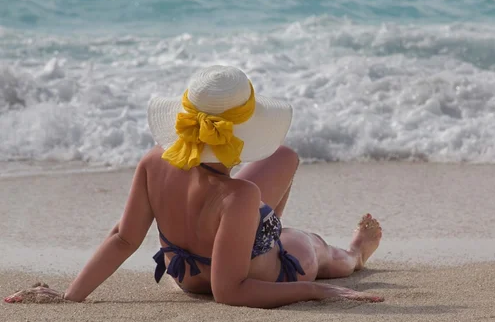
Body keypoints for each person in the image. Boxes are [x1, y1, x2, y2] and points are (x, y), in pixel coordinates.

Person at [4, 66, 383, 308]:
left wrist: (73, 295)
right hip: (239, 277)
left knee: (285, 156)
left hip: (184, 275)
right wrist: (319, 291)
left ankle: (258, 232)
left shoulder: (154, 161)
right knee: (309, 246)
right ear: (245, 133)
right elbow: (229, 292)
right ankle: (351, 254)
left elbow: (123, 237)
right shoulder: (238, 195)